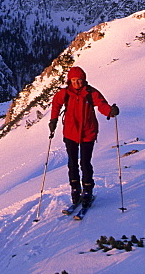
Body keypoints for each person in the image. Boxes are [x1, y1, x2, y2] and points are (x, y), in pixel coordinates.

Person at [49, 66, 119, 205]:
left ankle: (87, 190)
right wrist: (53, 120)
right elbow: (56, 104)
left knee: (85, 163)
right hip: (71, 132)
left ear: (84, 80)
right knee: (72, 163)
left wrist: (110, 111)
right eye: (74, 80)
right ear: (69, 80)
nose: (76, 83)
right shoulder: (65, 93)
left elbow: (101, 104)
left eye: (79, 80)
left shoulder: (90, 92)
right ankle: (75, 190)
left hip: (88, 132)